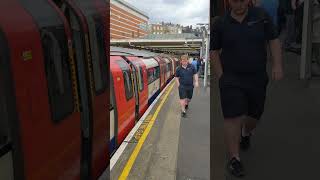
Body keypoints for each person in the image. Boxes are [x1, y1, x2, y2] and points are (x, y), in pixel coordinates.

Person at [210, 0, 283, 177]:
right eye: (235, 1)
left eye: (243, 1)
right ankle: (235, 159)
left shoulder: (261, 16)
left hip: (257, 78)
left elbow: (273, 40)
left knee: (253, 117)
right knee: (233, 117)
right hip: (232, 80)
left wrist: (277, 65)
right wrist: (222, 77)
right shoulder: (220, 23)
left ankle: (246, 132)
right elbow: (214, 51)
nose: (239, 5)